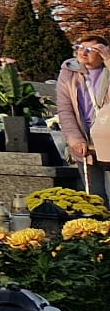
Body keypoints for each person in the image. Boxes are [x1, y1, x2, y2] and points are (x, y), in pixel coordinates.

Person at [56, 37, 110, 200]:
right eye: (80, 47)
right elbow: (65, 109)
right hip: (84, 139)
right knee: (94, 196)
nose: (83, 52)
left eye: (91, 50)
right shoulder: (68, 72)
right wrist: (74, 139)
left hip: (107, 136)